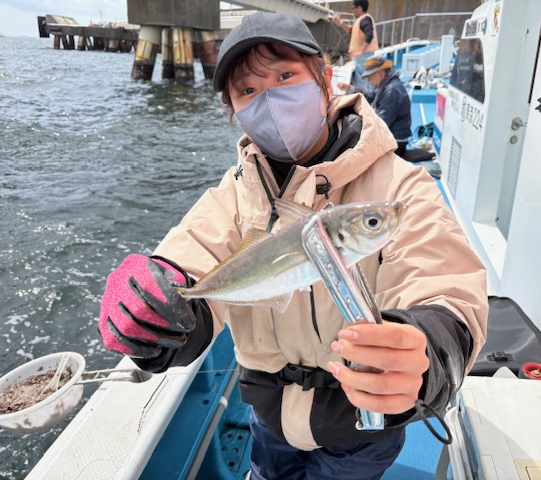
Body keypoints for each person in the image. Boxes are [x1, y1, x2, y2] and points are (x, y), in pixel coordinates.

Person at [98, 12, 488, 480]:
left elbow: (442, 284)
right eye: (248, 89)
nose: (270, 99)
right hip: (269, 419)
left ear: (324, 80)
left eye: (285, 76)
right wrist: (156, 309)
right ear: (234, 110)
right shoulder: (235, 194)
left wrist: (424, 349)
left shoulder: (400, 187)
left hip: (361, 428)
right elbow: (193, 253)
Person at [362, 54, 412, 156]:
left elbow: (383, 122)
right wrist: (352, 89)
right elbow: (372, 96)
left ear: (379, 72)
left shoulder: (391, 90)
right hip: (394, 136)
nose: (369, 80)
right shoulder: (387, 84)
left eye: (370, 76)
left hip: (395, 142)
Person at [332, 0, 379, 94]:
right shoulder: (361, 20)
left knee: (362, 82)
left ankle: (363, 99)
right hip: (362, 57)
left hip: (363, 57)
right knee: (362, 81)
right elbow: (351, 30)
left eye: (353, 8)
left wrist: (361, 51)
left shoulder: (365, 20)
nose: (352, 10)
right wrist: (339, 23)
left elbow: (369, 35)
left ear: (359, 8)